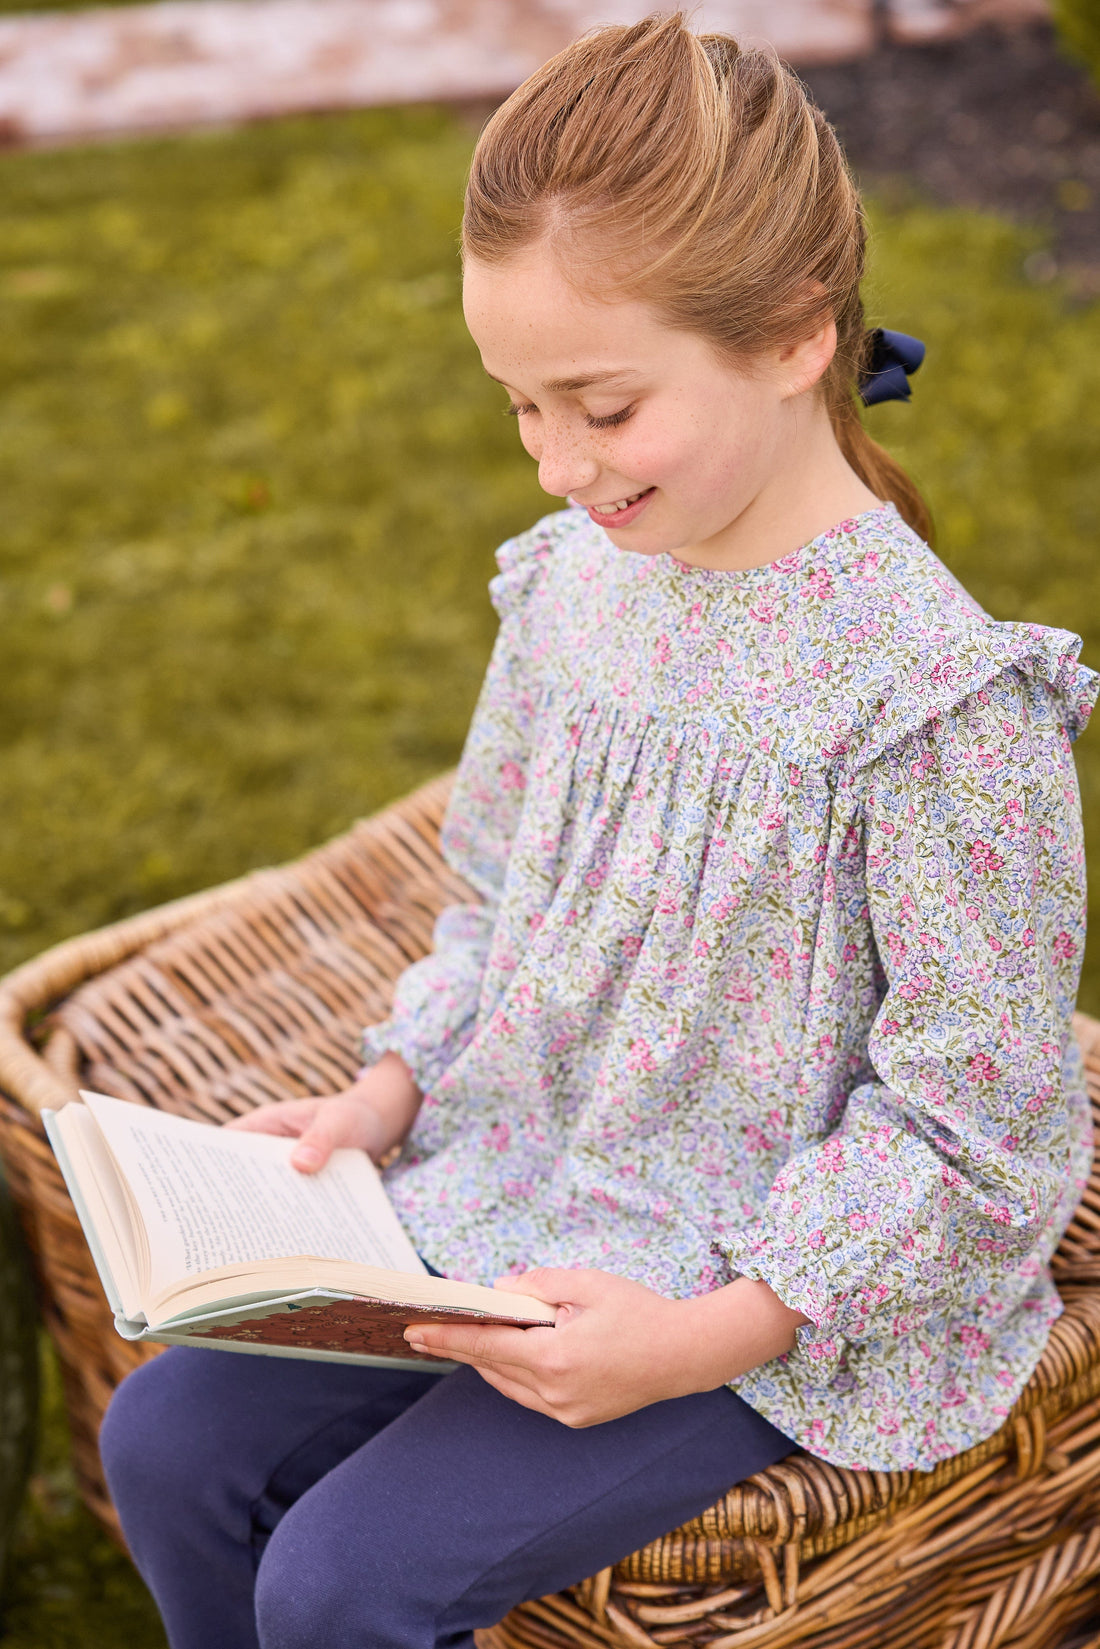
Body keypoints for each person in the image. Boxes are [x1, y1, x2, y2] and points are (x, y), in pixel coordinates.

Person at [98, 14, 1098, 1648]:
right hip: (522, 1177)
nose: (559, 464)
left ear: (792, 336)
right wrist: (392, 1082)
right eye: (520, 408)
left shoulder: (936, 709)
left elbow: (979, 1126)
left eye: (603, 407)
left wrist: (704, 1334)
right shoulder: (573, 586)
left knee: (346, 1581)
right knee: (167, 1446)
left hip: (766, 1286)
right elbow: (495, 891)